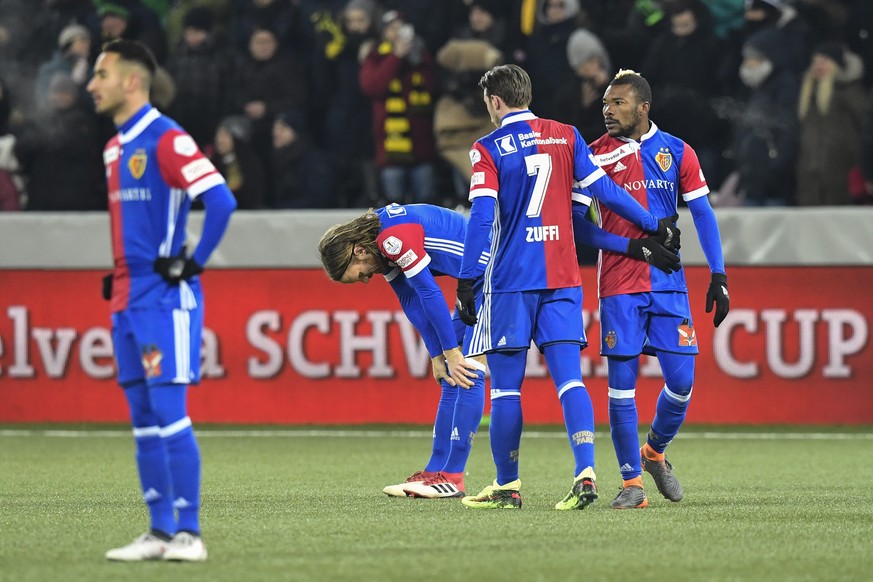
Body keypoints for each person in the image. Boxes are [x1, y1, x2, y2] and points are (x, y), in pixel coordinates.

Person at [455, 64, 680, 510]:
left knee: (505, 389)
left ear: (495, 101)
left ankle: (508, 485)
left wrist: (467, 278)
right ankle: (586, 474)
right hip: (562, 278)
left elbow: (482, 217)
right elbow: (607, 191)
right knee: (569, 381)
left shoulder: (487, 148)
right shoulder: (567, 135)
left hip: (510, 282)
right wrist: (653, 224)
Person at [87, 39, 236, 561]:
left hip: (165, 301)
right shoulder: (114, 147)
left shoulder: (167, 138)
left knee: (170, 412)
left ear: (131, 81)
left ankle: (190, 534)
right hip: (127, 300)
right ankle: (159, 531)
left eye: (100, 74)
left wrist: (192, 263)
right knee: (143, 418)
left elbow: (221, 199)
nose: (91, 84)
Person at [581, 69, 729, 508]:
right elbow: (579, 230)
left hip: (669, 284)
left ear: (643, 107)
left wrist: (718, 275)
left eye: (618, 103)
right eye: (605, 104)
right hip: (619, 284)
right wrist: (634, 247)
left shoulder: (677, 151)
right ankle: (632, 485)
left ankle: (655, 452)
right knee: (621, 388)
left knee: (682, 382)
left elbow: (702, 214)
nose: (608, 111)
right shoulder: (593, 156)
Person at [318, 203, 488, 499]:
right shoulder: (382, 249)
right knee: (451, 374)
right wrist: (438, 355)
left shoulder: (391, 240)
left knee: (468, 368)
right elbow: (412, 302)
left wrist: (451, 351)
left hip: (498, 280)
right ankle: (436, 471)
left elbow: (429, 292)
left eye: (357, 274)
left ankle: (453, 477)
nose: (365, 279)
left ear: (358, 251)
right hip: (476, 286)